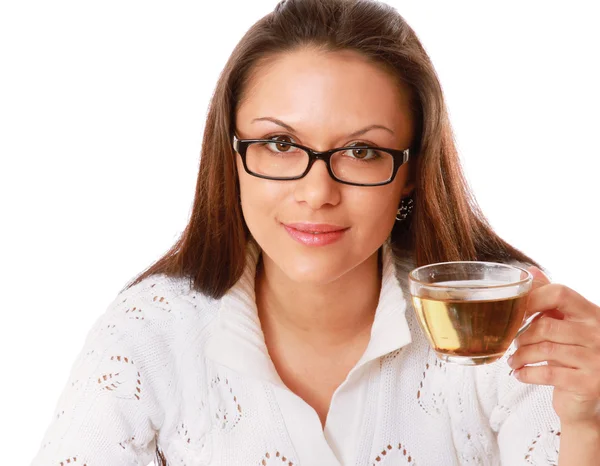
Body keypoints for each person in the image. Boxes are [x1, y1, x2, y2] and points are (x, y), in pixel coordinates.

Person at [31, 0, 600, 465]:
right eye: (280, 144)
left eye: (362, 151)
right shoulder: (150, 335)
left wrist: (587, 424)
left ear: (410, 174)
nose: (317, 191)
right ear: (228, 156)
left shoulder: (501, 328)